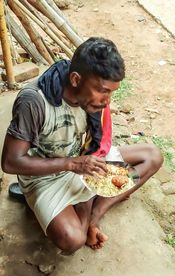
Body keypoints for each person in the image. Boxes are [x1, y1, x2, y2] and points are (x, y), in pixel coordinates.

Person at [1, 37, 163, 253]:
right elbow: (11, 162)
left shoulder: (91, 100)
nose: (107, 101)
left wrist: (81, 165)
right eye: (102, 90)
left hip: (83, 160)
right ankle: (60, 206)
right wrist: (71, 164)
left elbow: (93, 148)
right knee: (73, 240)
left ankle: (94, 216)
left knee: (152, 156)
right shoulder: (34, 102)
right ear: (76, 80)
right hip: (44, 176)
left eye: (112, 92)